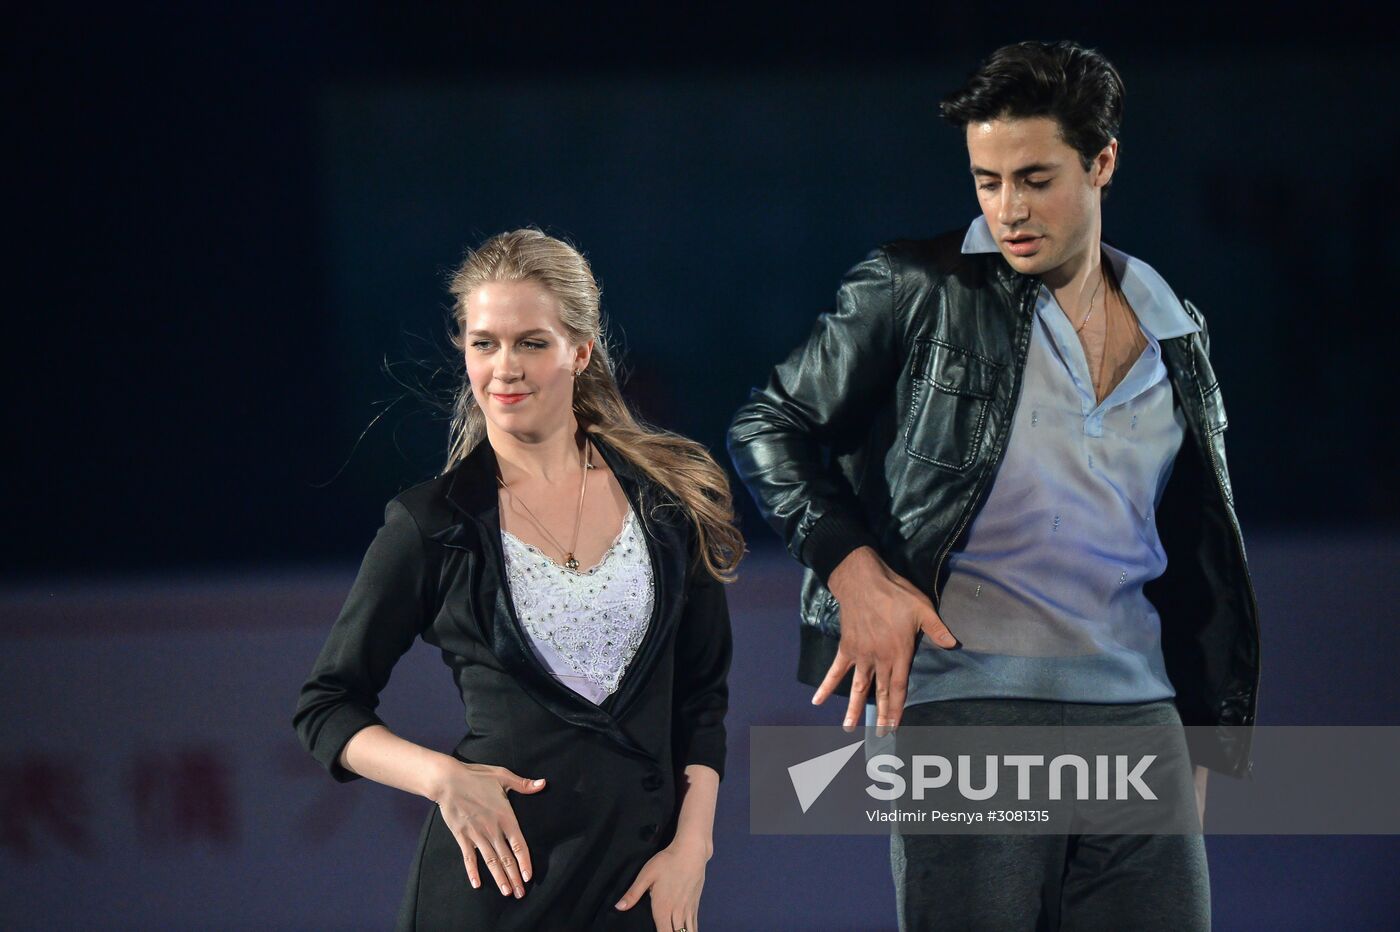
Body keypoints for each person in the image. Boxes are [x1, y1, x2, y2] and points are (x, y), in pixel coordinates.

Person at [727, 41, 1259, 931]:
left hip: (1137, 715)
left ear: (1103, 163)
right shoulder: (917, 286)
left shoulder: (1177, 330)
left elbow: (1193, 557)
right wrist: (855, 572)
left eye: (1035, 178)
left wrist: (1191, 747)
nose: (1007, 209)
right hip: (964, 704)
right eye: (986, 181)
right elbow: (767, 425)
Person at [294, 228, 742, 931]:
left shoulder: (666, 504)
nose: (505, 368)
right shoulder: (431, 524)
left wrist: (694, 846)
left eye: (531, 342)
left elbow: (701, 701)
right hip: (488, 897)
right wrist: (446, 780)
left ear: (581, 350)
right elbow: (326, 707)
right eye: (484, 343)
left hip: (638, 888)